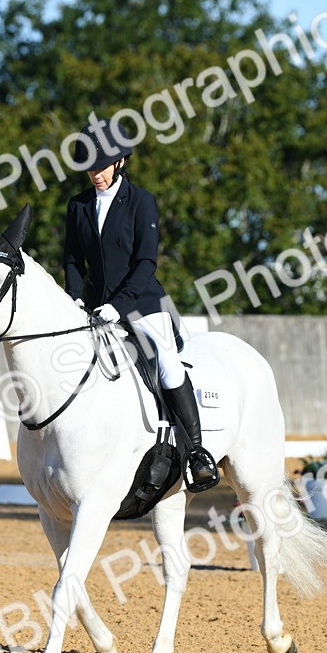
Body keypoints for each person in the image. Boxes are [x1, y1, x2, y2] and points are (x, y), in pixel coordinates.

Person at [63, 120, 220, 492]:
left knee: (166, 361)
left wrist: (119, 305)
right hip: (94, 308)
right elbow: (72, 259)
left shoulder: (141, 201)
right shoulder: (78, 205)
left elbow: (145, 262)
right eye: (89, 168)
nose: (95, 174)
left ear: (120, 162)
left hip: (142, 303)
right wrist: (75, 296)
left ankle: (197, 453)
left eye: (101, 167)